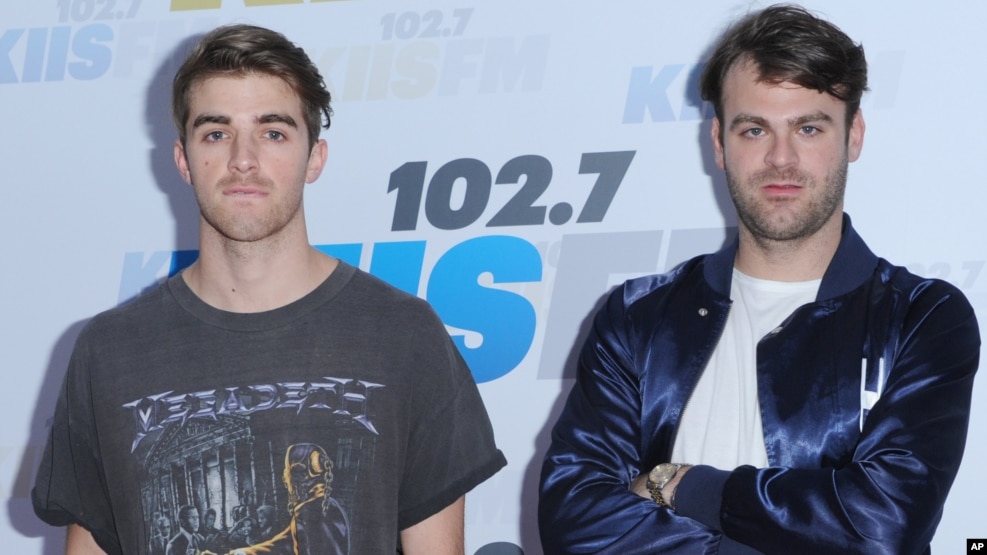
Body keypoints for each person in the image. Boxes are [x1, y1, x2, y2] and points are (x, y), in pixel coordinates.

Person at [31, 23, 506, 555]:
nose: (243, 158)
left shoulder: (403, 335)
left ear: (316, 157)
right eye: (216, 133)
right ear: (184, 160)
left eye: (273, 132)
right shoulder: (110, 352)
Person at [539, 5, 980, 555]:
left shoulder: (922, 316)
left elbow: (883, 524)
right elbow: (572, 522)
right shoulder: (638, 316)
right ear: (720, 143)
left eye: (809, 127)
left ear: (854, 136)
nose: (781, 158)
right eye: (755, 129)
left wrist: (682, 485)